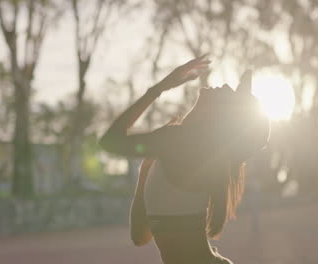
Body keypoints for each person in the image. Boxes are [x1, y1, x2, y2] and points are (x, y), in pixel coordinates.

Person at [99, 55, 269, 264]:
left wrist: (159, 88)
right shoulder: (181, 144)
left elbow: (110, 141)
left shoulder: (182, 143)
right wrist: (145, 173)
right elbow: (140, 236)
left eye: (229, 93)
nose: (224, 85)